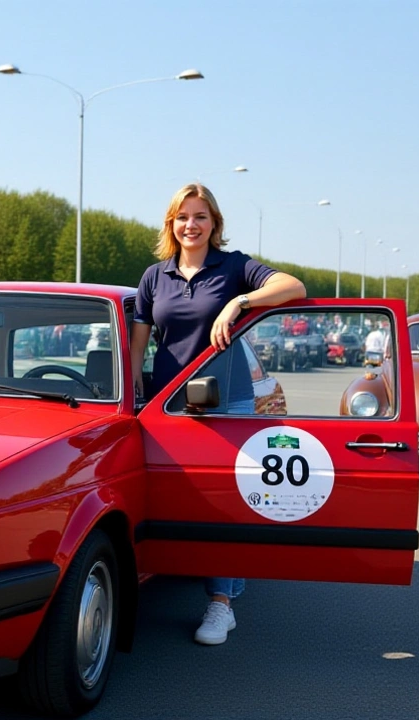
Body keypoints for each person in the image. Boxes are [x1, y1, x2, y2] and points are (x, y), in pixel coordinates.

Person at [130, 183, 305, 647]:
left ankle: (221, 604)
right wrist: (134, 393)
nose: (191, 225)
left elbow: (294, 287)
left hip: (229, 400)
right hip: (170, 403)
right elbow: (138, 345)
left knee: (223, 499)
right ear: (171, 223)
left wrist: (239, 302)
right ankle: (226, 574)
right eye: (183, 217)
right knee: (183, 495)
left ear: (214, 223)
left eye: (201, 216)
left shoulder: (234, 267)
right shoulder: (154, 277)